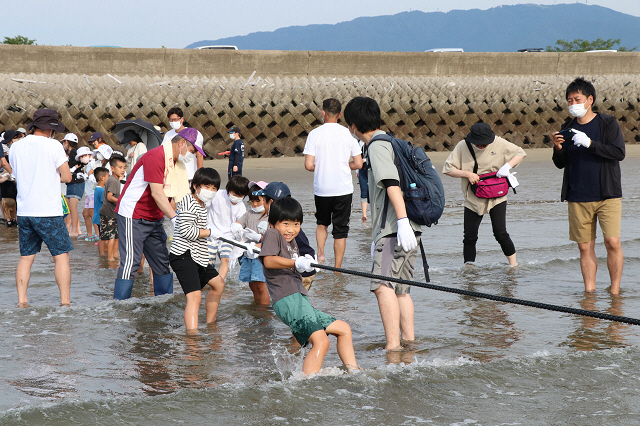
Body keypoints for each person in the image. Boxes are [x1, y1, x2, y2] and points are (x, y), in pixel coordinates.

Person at [343, 97, 418, 351]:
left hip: (394, 230)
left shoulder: (376, 145)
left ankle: (393, 347)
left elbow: (391, 183)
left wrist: (401, 221)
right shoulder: (392, 140)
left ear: (353, 125)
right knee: (402, 289)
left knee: (381, 285)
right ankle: (408, 343)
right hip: (408, 229)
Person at [258, 196, 359, 375]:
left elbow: (274, 253)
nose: (291, 229)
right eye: (286, 224)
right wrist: (295, 263)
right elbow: (269, 261)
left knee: (343, 329)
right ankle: (306, 383)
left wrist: (306, 261)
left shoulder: (290, 240)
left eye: (296, 224)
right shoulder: (273, 234)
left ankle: (354, 372)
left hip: (299, 299)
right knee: (322, 341)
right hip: (287, 300)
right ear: (273, 224)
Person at [552, 77, 625, 295]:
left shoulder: (608, 123)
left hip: (607, 194)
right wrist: (557, 148)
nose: (572, 103)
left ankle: (614, 292)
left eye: (577, 98)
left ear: (589, 100)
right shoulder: (567, 127)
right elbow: (560, 164)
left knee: (612, 242)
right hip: (577, 194)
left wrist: (590, 143)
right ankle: (590, 294)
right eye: (569, 100)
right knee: (584, 246)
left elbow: (618, 152)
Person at [114, 127, 205, 300]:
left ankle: (163, 303)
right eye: (192, 151)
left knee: (162, 262)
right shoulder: (156, 156)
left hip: (154, 217)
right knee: (131, 263)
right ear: (181, 143)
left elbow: (177, 198)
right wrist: (175, 218)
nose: (192, 156)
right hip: (133, 214)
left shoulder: (176, 164)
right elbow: (157, 193)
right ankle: (120, 307)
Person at [9, 109, 73, 306]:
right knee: (61, 256)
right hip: (48, 211)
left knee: (26, 257)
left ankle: (22, 301)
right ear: (51, 129)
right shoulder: (53, 146)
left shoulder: (15, 147)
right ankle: (65, 302)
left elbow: (16, 173)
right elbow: (67, 177)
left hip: (25, 211)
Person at [442, 123, 526, 266]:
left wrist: (507, 167)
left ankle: (513, 265)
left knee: (500, 233)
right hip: (473, 196)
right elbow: (447, 168)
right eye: (479, 144)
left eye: (485, 144)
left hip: (497, 194)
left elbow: (520, 153)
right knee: (469, 236)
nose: (482, 147)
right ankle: (469, 268)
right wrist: (467, 174)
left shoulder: (499, 142)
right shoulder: (463, 146)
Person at [303, 98, 363, 269]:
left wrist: (323, 166)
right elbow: (358, 164)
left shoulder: (314, 134)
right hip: (343, 188)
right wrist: (343, 165)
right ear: (340, 114)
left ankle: (320, 253)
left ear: (323, 113)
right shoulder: (348, 134)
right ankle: (337, 268)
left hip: (322, 188)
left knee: (322, 223)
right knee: (340, 231)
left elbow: (308, 165)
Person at [170, 167, 226, 330]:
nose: (211, 191)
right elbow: (187, 231)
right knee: (194, 297)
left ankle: (210, 325)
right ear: (195, 185)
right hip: (183, 255)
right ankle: (192, 340)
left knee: (218, 284)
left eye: (214, 188)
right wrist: (210, 232)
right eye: (207, 186)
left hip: (198, 256)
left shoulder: (201, 204)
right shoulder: (188, 201)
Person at [232, 181, 270, 305]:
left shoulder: (271, 216)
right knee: (252, 284)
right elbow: (238, 224)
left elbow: (274, 239)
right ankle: (257, 305)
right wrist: (235, 227)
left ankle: (263, 312)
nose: (254, 204)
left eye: (258, 201)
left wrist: (259, 238)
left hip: (261, 256)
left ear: (267, 199)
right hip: (247, 254)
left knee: (261, 285)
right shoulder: (249, 214)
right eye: (252, 201)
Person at [207, 175, 250, 280]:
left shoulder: (241, 208)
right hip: (210, 234)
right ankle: (206, 283)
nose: (236, 198)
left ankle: (219, 283)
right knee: (207, 262)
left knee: (225, 259)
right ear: (228, 189)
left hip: (228, 237)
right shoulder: (217, 195)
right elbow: (204, 205)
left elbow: (240, 226)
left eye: (241, 196)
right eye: (234, 194)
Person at [163, 107, 204, 184]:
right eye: (171, 120)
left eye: (175, 119)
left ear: (182, 119)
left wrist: (199, 176)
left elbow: (199, 155)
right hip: (173, 175)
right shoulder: (168, 135)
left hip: (189, 175)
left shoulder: (193, 134)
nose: (173, 122)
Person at [100, 156, 126, 263]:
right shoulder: (113, 181)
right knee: (112, 237)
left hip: (111, 213)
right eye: (120, 167)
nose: (123, 170)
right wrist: (121, 200)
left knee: (115, 236)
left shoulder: (114, 180)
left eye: (124, 167)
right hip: (109, 213)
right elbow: (109, 197)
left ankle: (114, 255)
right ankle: (110, 258)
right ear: (112, 168)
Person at [62, 133, 86, 238]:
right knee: (71, 207)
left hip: (76, 183)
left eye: (64, 142)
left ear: (67, 142)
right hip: (73, 183)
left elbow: (83, 162)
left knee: (72, 208)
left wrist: (75, 167)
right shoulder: (73, 152)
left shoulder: (73, 152)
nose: (63, 144)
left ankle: (75, 230)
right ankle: (73, 229)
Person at [92, 167, 109, 256]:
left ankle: (102, 254)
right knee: (103, 237)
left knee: (101, 236)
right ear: (102, 178)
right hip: (101, 216)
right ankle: (102, 254)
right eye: (108, 177)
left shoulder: (97, 189)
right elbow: (105, 203)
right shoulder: (102, 190)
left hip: (97, 216)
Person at [356, 139, 369, 221]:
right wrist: (357, 170)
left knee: (373, 193)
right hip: (362, 169)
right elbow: (357, 157)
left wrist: (365, 160)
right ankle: (364, 215)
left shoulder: (371, 140)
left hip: (372, 169)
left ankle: (375, 215)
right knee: (363, 192)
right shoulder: (359, 142)